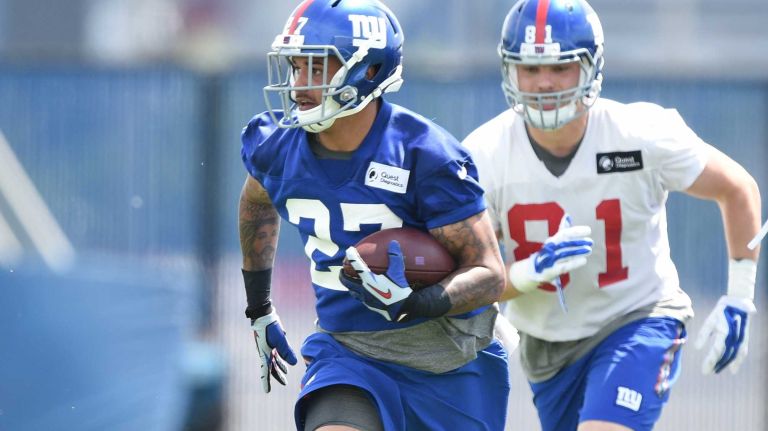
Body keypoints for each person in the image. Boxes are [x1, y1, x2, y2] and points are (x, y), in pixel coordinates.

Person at [462, 0, 762, 430]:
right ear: (509, 71)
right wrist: (529, 272)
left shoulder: (640, 134)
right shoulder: (484, 154)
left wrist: (739, 296)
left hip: (638, 316)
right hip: (547, 344)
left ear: (591, 67)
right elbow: (474, 279)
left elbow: (737, 188)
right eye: (530, 69)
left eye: (560, 68)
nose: (544, 83)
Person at [238, 1, 509, 430]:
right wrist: (259, 306)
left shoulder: (423, 156)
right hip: (347, 353)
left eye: (317, 67)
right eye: (295, 66)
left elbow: (490, 273)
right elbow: (256, 202)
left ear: (369, 71)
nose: (300, 83)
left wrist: (419, 301)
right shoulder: (276, 146)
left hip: (446, 358)